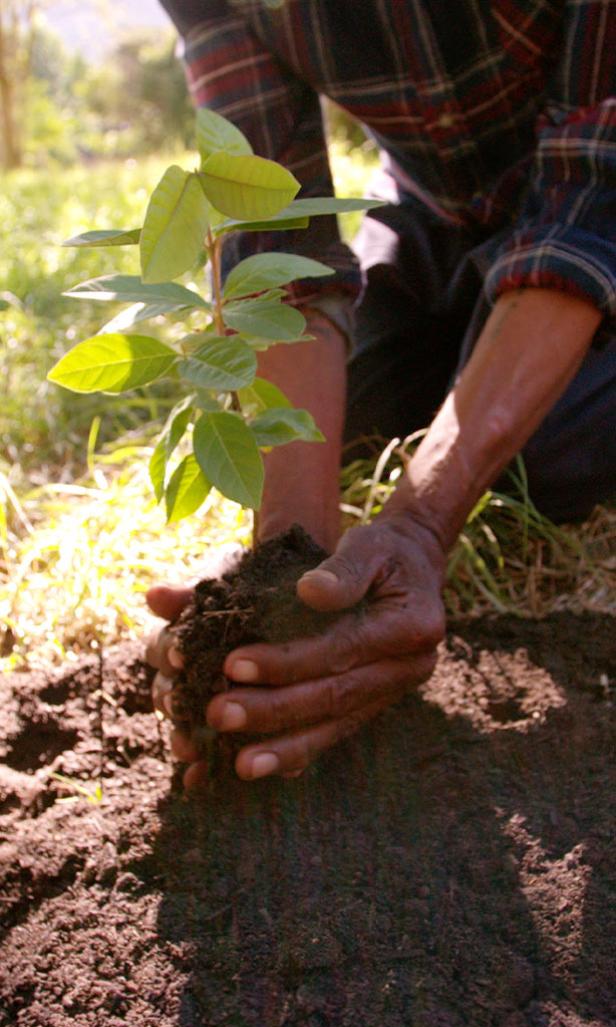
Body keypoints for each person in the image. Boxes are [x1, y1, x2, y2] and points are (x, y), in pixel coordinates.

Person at [147, 0, 616, 787]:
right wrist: (285, 572)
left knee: (544, 451)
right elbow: (276, 223)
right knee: (351, 423)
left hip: (592, 190)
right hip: (437, 201)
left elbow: (590, 198)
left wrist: (420, 527)